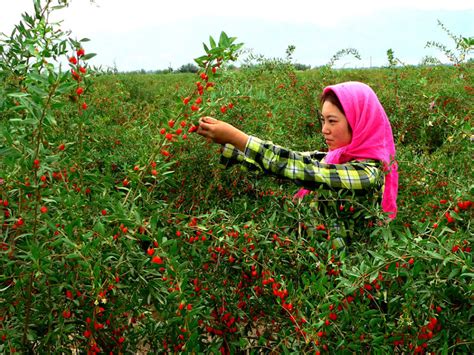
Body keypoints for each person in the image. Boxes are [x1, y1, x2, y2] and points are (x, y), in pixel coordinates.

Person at [196, 81, 398, 220]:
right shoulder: (332, 159)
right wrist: (223, 144)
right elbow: (284, 162)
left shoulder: (367, 174)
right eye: (323, 120)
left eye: (332, 121)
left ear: (359, 122)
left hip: (339, 276)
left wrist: (236, 137)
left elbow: (299, 169)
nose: (324, 129)